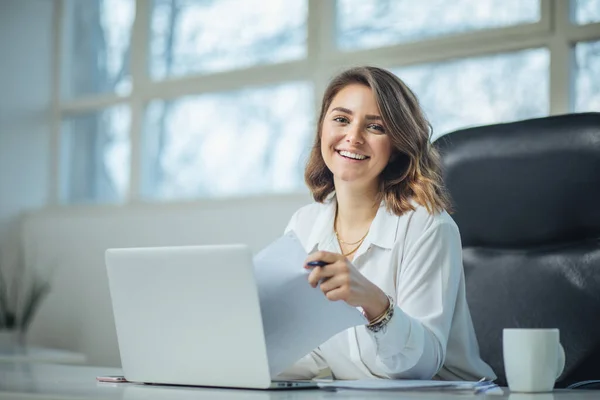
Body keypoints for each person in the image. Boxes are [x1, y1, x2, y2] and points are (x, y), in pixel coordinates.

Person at [278, 66, 496, 381]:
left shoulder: (427, 226)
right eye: (341, 119)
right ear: (322, 130)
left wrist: (375, 304)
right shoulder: (303, 224)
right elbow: (309, 351)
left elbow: (422, 366)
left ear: (396, 147)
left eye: (376, 127)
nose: (352, 136)